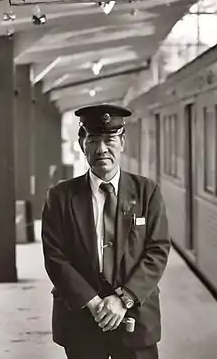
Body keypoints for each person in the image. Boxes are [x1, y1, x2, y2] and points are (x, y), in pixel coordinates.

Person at [41, 103, 171, 359]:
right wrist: (93, 302)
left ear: (122, 142)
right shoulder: (60, 197)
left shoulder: (147, 192)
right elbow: (55, 256)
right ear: (82, 144)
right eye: (94, 140)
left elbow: (157, 250)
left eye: (110, 139)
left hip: (135, 317)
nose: (102, 149)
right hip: (81, 318)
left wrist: (123, 299)